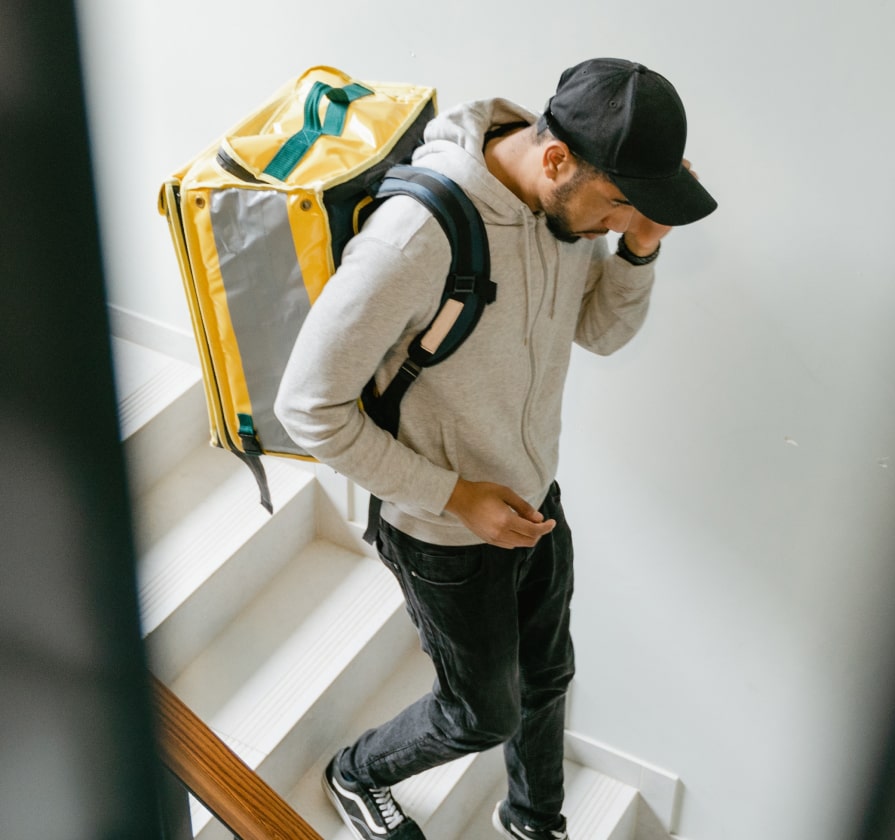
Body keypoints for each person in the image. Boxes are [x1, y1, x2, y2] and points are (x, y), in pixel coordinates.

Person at [274, 58, 716, 840]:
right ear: (558, 160)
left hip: (533, 498)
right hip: (442, 531)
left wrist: (641, 246)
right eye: (619, 204)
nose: (618, 224)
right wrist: (455, 497)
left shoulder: (564, 208)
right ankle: (357, 773)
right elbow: (307, 408)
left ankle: (534, 822)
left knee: (549, 675)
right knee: (480, 713)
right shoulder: (415, 238)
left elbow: (600, 331)